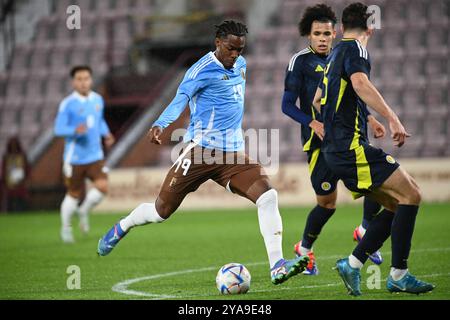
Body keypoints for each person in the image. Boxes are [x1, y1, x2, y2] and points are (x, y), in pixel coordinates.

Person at [97, 20, 309, 285]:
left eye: (240, 50)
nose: (236, 55)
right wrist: (161, 124)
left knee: (268, 195)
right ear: (218, 42)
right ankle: (123, 226)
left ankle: (277, 266)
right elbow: (180, 99)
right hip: (199, 152)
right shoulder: (200, 70)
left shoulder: (240, 65)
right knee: (161, 211)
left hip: (231, 154)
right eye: (231, 49)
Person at [312, 2, 434, 295]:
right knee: (412, 194)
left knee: (395, 203)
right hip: (349, 148)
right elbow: (359, 82)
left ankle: (352, 265)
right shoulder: (357, 49)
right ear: (370, 29)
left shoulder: (334, 55)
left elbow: (318, 99)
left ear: (341, 28)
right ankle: (399, 274)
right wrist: (391, 118)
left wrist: (364, 118)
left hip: (335, 150)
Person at [282, 4, 384, 275]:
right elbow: (287, 105)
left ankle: (364, 229)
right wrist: (311, 122)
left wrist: (370, 118)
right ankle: (304, 250)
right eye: (318, 33)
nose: (323, 38)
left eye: (327, 33)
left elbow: (353, 93)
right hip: (318, 143)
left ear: (335, 33)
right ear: (309, 35)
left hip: (348, 137)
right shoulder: (300, 62)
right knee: (327, 204)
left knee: (377, 184)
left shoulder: (341, 55)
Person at [54, 65, 115, 243]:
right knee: (73, 193)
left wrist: (106, 133)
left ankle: (84, 210)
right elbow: (58, 129)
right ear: (74, 82)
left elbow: (99, 120)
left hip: (95, 155)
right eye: (79, 79)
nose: (83, 82)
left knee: (103, 187)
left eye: (86, 78)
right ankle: (66, 229)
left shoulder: (97, 100)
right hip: (75, 158)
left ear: (91, 80)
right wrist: (74, 130)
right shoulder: (68, 104)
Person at [1, 136, 29, 212]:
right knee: (10, 199)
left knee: (20, 199)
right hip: (9, 181)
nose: (14, 147)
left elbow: (26, 168)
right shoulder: (6, 157)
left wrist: (24, 178)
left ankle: (21, 211)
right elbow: (4, 170)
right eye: (12, 145)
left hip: (20, 181)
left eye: (15, 145)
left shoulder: (22, 156)